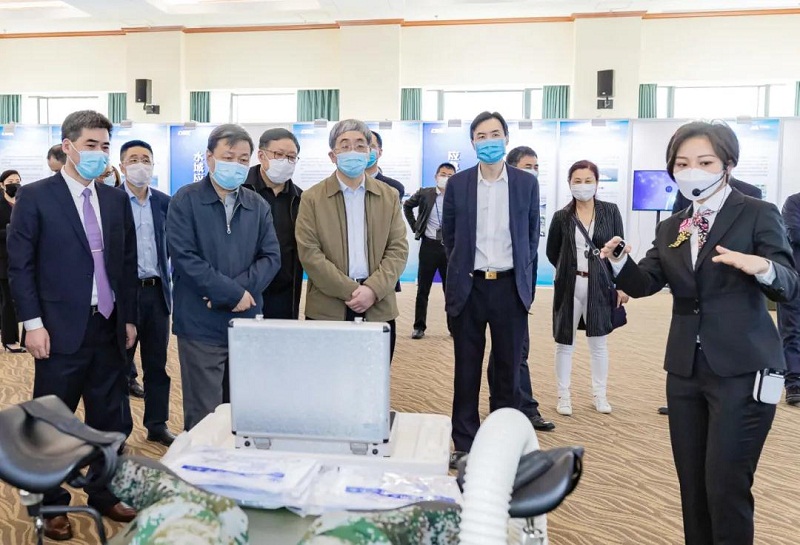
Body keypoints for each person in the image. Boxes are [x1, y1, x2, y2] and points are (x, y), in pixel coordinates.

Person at [602, 120, 798, 545]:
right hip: (685, 371)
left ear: (728, 164)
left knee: (725, 487)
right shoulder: (673, 226)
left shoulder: (757, 212)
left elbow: (789, 283)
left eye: (705, 162)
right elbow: (646, 282)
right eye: (682, 163)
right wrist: (618, 263)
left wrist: (762, 267)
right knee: (692, 488)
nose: (692, 171)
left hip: (742, 368)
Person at [8, 110, 140, 540]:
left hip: (108, 326)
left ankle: (103, 492)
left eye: (105, 147)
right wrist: (32, 324)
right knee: (51, 423)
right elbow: (21, 266)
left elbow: (126, 264)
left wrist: (129, 318)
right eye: (91, 145)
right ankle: (52, 503)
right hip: (57, 328)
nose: (99, 154)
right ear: (68, 146)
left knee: (110, 419)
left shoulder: (115, 200)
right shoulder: (36, 197)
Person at [167, 124, 280, 431]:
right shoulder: (185, 200)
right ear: (210, 157)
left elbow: (271, 257)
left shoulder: (257, 205)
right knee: (205, 417)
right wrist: (232, 294)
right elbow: (184, 257)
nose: (236, 165)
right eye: (228, 157)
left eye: (243, 160)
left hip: (246, 321)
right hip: (200, 323)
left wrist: (238, 293)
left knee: (245, 412)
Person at [443, 111, 540, 464]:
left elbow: (531, 236)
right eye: (481, 136)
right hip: (470, 288)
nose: (488, 141)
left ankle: (502, 443)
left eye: (495, 134)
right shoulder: (458, 184)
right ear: (472, 142)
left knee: (507, 372)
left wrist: (522, 281)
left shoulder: (526, 184)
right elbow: (450, 237)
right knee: (466, 370)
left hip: (509, 288)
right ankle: (464, 443)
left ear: (506, 138)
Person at [295, 119, 408, 360]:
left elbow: (398, 249)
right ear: (332, 155)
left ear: (369, 152)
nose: (352, 151)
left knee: (374, 377)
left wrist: (372, 290)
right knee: (328, 377)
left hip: (378, 305)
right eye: (344, 145)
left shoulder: (389, 196)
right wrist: (351, 291)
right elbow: (309, 253)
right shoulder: (312, 198)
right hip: (328, 308)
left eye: (359, 145)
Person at [547, 160, 627, 416]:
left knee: (598, 343)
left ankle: (599, 395)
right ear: (569, 184)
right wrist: (567, 269)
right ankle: (564, 396)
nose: (582, 186)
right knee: (564, 343)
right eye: (577, 181)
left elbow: (618, 250)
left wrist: (621, 285)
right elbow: (552, 252)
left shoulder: (610, 211)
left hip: (599, 285)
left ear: (597, 183)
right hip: (569, 286)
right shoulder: (561, 216)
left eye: (588, 181)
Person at [485, 145, 554, 432]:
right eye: (528, 166)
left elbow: (532, 246)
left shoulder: (529, 196)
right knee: (513, 351)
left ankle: (510, 404)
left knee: (513, 349)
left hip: (520, 284)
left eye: (536, 167)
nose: (533, 172)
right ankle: (522, 407)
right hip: (493, 283)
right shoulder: (496, 199)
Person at [118, 139, 175, 446]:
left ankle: (157, 424)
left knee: (157, 365)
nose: (140, 165)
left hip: (157, 294)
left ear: (153, 165)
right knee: (118, 365)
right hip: (122, 296)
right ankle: (118, 429)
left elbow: (175, 248)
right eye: (133, 159)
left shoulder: (165, 202)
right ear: (122, 165)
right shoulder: (111, 201)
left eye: (146, 159)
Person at [243, 128, 303, 319]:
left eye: (291, 157)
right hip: (245, 288)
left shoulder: (300, 198)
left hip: (285, 292)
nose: (285, 161)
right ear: (262, 155)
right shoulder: (241, 189)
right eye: (279, 154)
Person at [403, 162, 456, 340]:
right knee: (423, 290)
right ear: (436, 176)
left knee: (450, 290)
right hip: (429, 246)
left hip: (449, 248)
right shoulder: (425, 193)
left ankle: (453, 327)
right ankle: (419, 327)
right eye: (443, 174)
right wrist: (416, 227)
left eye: (450, 175)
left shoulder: (458, 195)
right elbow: (407, 206)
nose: (446, 178)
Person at [777, 191, 800, 406]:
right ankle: (794, 383)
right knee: (792, 331)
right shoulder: (794, 202)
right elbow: (795, 234)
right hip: (795, 278)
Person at [0, 170, 26, 353]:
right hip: (3, 259)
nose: (15, 184)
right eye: (10, 181)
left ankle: (25, 339)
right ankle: (9, 340)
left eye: (18, 180)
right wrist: (11, 230)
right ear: (2, 184)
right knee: (8, 301)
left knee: (24, 299)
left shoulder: (24, 202)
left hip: (24, 259)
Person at [366, 130, 405, 199]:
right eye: (360, 146)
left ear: (380, 152)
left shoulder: (394, 188)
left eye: (371, 146)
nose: (366, 151)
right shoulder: (346, 183)